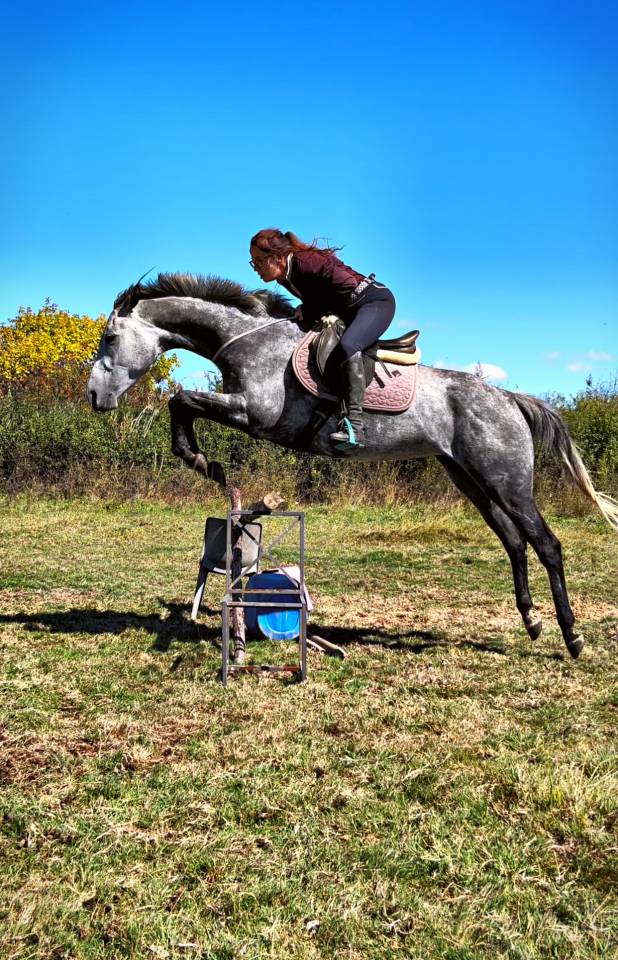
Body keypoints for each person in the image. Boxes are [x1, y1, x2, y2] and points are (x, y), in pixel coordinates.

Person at [249, 228, 396, 448]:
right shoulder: (286, 276)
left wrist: (310, 308)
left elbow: (347, 286)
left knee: (348, 346)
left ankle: (355, 426)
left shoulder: (306, 263)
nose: (256, 269)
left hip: (374, 303)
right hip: (352, 310)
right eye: (253, 263)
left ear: (277, 257)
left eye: (259, 261)